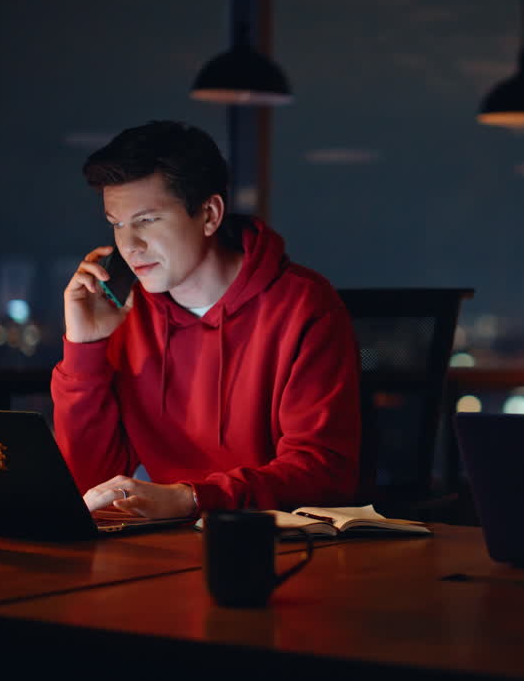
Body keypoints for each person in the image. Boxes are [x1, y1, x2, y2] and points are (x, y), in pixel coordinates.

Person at [51, 120, 360, 519]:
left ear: (210, 214)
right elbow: (90, 483)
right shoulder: (124, 313)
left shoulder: (303, 305)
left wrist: (192, 498)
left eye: (147, 220)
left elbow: (324, 474)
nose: (129, 245)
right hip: (163, 546)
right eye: (117, 225)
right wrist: (85, 349)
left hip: (278, 548)